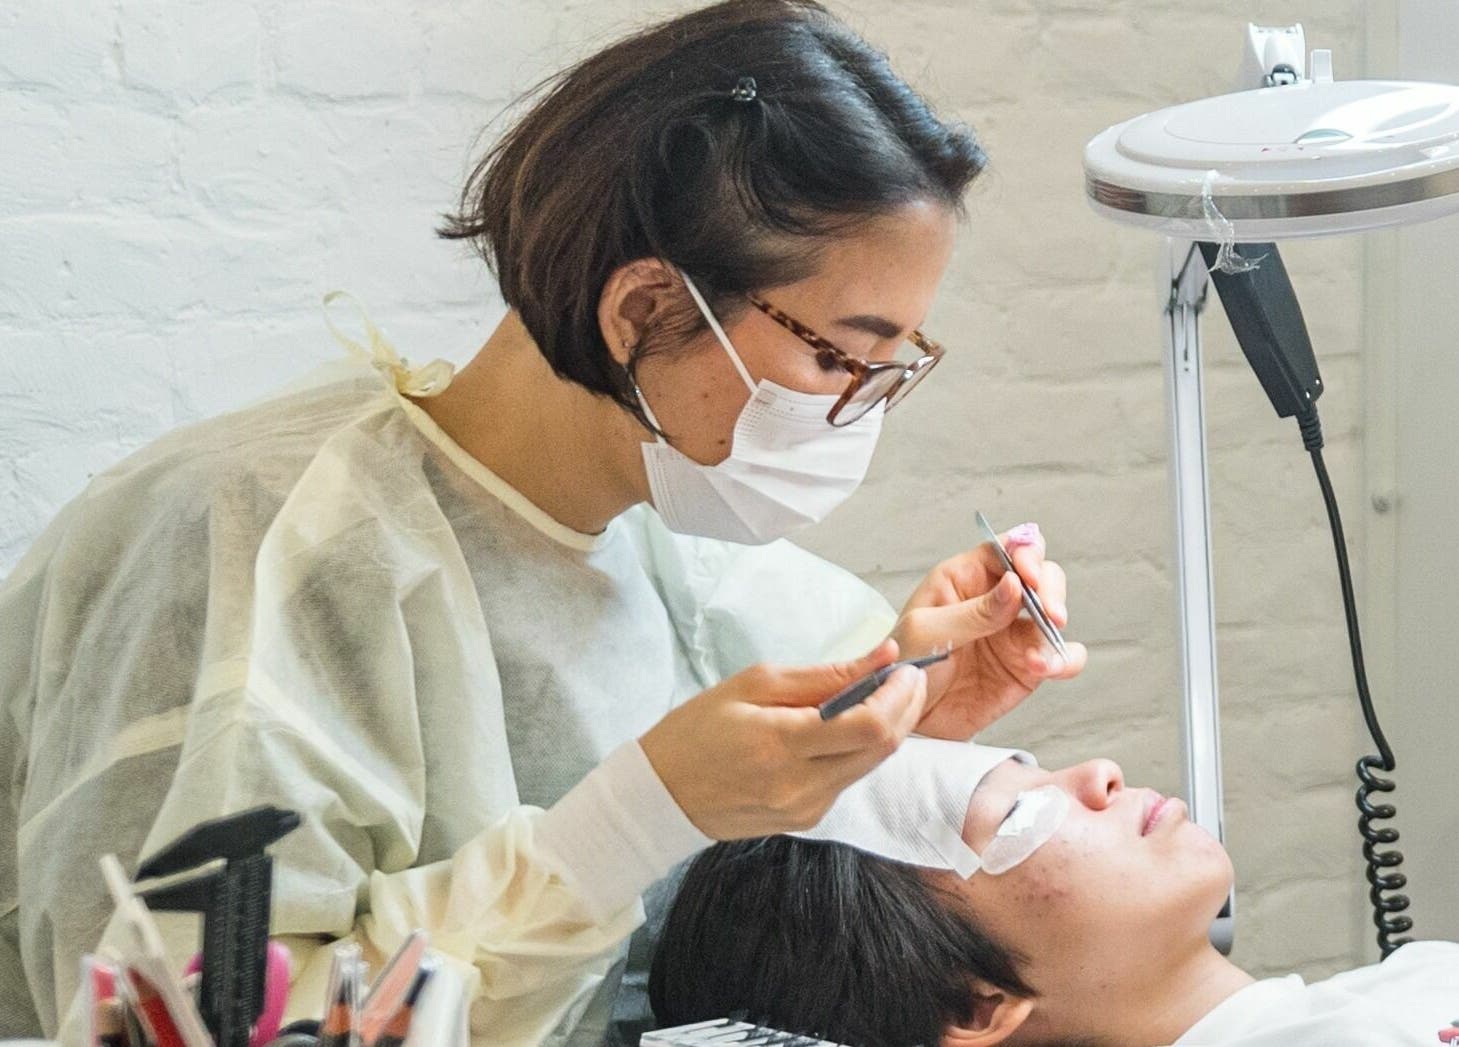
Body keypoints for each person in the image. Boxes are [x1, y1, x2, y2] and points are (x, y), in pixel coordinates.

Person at [0, 2, 1089, 1043]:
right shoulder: (250, 544)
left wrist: (908, 708)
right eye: (837, 357)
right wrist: (627, 822)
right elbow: (170, 1022)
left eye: (888, 366)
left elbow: (750, 942)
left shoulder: (683, 565)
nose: (854, 408)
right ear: (645, 310)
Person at [649, 739, 1459, 1046]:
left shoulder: (1411, 980)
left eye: (1031, 764)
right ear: (974, 1004)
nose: (1098, 772)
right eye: (1019, 809)